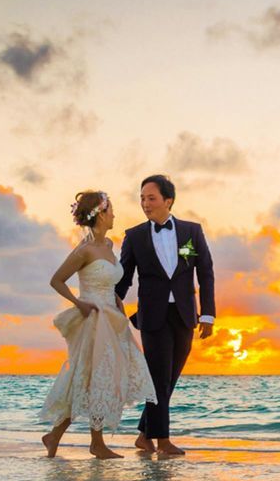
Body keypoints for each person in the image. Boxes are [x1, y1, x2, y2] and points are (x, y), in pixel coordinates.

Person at [40, 190, 157, 459]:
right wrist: (78, 302)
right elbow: (56, 280)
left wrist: (116, 297)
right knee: (93, 378)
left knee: (102, 379)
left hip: (112, 319)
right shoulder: (85, 250)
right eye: (111, 210)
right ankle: (96, 443)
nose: (115, 214)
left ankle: (56, 436)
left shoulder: (109, 246)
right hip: (92, 320)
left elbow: (108, 279)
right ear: (101, 214)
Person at [114, 174, 215, 457]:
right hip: (153, 316)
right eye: (142, 199)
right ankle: (163, 441)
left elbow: (205, 272)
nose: (145, 204)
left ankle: (144, 435)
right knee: (158, 378)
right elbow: (125, 278)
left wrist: (207, 315)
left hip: (184, 315)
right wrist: (108, 300)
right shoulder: (134, 236)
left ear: (168, 200)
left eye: (151, 198)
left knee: (170, 378)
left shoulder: (192, 231)